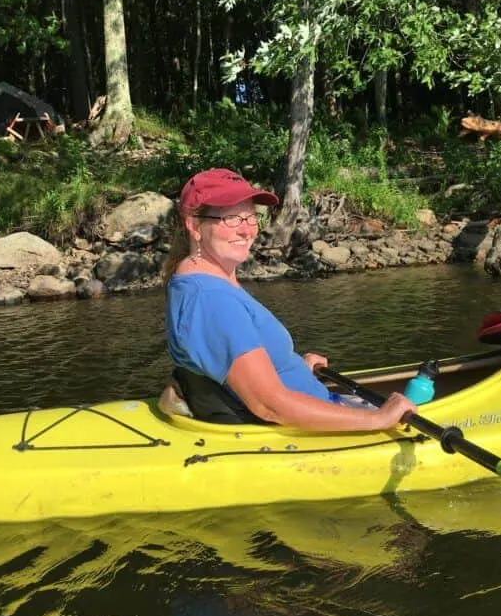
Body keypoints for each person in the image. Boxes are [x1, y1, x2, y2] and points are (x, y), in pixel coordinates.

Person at [162, 167, 417, 431]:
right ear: (194, 226)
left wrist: (292, 366)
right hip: (299, 426)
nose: (247, 231)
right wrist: (379, 418)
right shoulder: (211, 299)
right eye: (232, 219)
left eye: (251, 218)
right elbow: (269, 404)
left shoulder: (206, 280)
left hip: (314, 400)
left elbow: (234, 361)